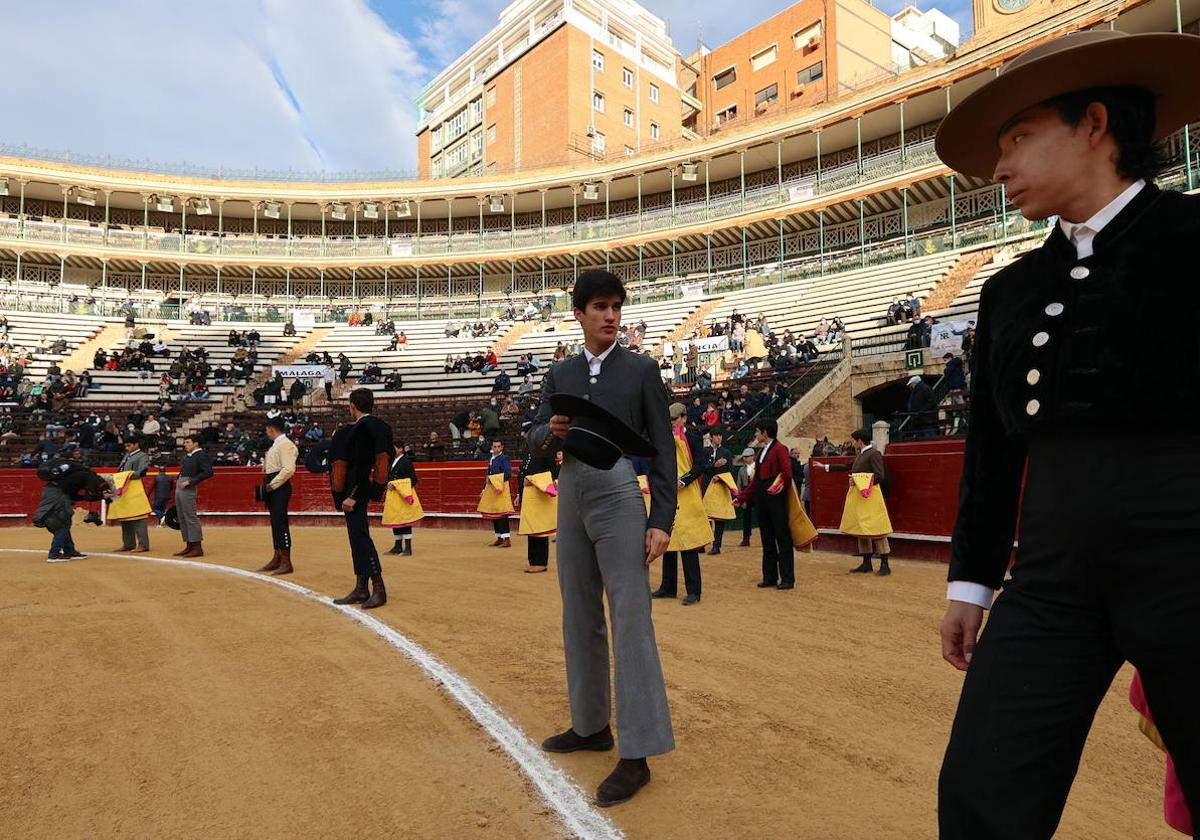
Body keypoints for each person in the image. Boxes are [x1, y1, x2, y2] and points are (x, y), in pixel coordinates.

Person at [931, 29, 1200, 839]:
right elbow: (992, 447)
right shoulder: (1011, 289)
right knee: (982, 788)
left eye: (1018, 137)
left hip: (1190, 558)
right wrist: (971, 583)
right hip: (1049, 576)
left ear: (1094, 125)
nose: (999, 166)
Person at [527, 269, 675, 806]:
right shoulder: (561, 371)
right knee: (579, 614)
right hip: (571, 490)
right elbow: (535, 436)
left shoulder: (640, 370)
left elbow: (661, 445)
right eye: (599, 307)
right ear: (579, 314)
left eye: (615, 306)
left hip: (618, 493)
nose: (610, 315)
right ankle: (591, 726)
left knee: (631, 617)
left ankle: (637, 754)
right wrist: (551, 434)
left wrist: (661, 518)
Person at [331, 388, 393, 609]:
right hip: (363, 488)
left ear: (352, 406)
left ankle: (379, 588)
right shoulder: (379, 426)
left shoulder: (362, 428)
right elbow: (383, 460)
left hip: (356, 490)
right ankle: (361, 587)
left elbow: (364, 464)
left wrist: (353, 495)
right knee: (356, 536)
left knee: (360, 537)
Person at [652, 403, 711, 606]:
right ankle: (668, 587)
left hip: (687, 494)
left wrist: (683, 480)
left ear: (684, 418)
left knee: (689, 543)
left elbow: (700, 466)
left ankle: (694, 591)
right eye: (669, 420)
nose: (671, 423)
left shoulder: (693, 440)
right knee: (669, 540)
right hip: (670, 495)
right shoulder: (665, 440)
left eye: (674, 419)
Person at [821, 428, 893, 576]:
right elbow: (848, 466)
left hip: (871, 497)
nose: (853, 443)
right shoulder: (862, 454)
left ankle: (885, 564)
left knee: (877, 529)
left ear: (860, 441)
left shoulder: (874, 454)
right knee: (862, 529)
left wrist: (858, 479)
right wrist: (826, 467)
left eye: (854, 441)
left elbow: (880, 476)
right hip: (861, 497)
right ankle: (867, 563)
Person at [736, 418, 796, 589]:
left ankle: (787, 579)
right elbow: (756, 482)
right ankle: (770, 577)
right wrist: (741, 498)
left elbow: (787, 474)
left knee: (782, 539)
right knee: (767, 539)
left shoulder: (780, 449)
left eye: (757, 431)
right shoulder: (762, 452)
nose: (756, 434)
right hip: (763, 501)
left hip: (776, 501)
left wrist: (775, 491)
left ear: (765, 433)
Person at [257, 418, 298, 575]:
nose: (266, 433)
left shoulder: (285, 444)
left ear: (271, 429)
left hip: (279, 486)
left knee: (280, 522)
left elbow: (288, 469)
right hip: (274, 484)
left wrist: (272, 484)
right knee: (276, 522)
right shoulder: (278, 444)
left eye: (267, 430)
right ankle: (278, 557)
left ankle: (286, 561)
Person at [517, 451, 559, 573]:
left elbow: (552, 474)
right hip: (529, 496)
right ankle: (533, 561)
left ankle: (541, 562)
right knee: (532, 528)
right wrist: (520, 493)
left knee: (540, 528)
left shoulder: (545, 454)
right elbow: (522, 474)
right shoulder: (527, 454)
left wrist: (533, 480)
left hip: (539, 496)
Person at [174, 434, 213, 557]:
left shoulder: (200, 455)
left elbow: (209, 472)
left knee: (190, 516)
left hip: (188, 486)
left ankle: (197, 547)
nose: (185, 444)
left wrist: (191, 481)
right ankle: (189, 545)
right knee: (182, 516)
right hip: (181, 485)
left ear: (196, 443)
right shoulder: (190, 456)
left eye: (187, 442)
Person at [701, 427, 737, 555]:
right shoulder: (704, 451)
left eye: (720, 435)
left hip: (721, 486)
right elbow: (700, 467)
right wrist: (713, 466)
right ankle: (703, 543)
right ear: (711, 437)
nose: (718, 438)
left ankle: (717, 546)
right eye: (716, 435)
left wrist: (721, 478)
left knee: (719, 517)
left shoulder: (726, 452)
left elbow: (730, 471)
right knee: (705, 516)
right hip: (706, 485)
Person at [113, 437, 151, 553]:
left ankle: (143, 544)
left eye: (129, 445)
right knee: (125, 515)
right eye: (126, 446)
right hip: (124, 488)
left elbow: (141, 472)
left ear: (136, 444)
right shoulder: (127, 455)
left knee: (138, 516)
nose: (127, 448)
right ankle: (128, 544)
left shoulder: (142, 456)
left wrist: (125, 476)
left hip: (134, 487)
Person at [477, 440, 514, 548]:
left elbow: (507, 474)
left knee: (502, 514)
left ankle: (507, 539)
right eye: (495, 446)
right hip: (492, 490)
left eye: (498, 446)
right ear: (492, 447)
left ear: (502, 447)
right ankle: (499, 537)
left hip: (501, 489)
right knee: (495, 514)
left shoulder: (504, 458)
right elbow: (488, 475)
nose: (496, 448)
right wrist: (484, 489)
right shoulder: (491, 459)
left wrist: (493, 480)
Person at [385, 443, 419, 556]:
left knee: (405, 520)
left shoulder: (406, 461)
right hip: (393, 496)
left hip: (402, 495)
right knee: (396, 519)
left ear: (400, 449)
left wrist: (398, 485)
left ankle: (408, 548)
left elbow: (413, 479)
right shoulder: (391, 461)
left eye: (393, 448)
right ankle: (398, 546)